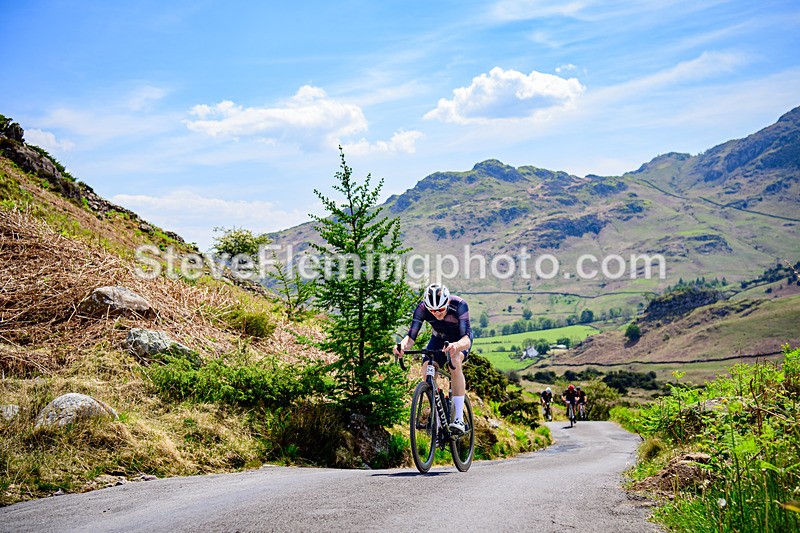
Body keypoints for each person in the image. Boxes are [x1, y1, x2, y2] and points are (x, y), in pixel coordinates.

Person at [394, 283, 473, 435]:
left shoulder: (460, 305)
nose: (436, 313)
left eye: (441, 310)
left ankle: (458, 419)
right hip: (438, 339)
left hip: (459, 340)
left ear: (447, 303)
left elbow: (467, 339)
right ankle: (437, 415)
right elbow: (410, 338)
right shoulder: (422, 309)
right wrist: (402, 347)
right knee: (427, 369)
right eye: (433, 311)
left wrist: (456, 346)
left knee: (455, 362)